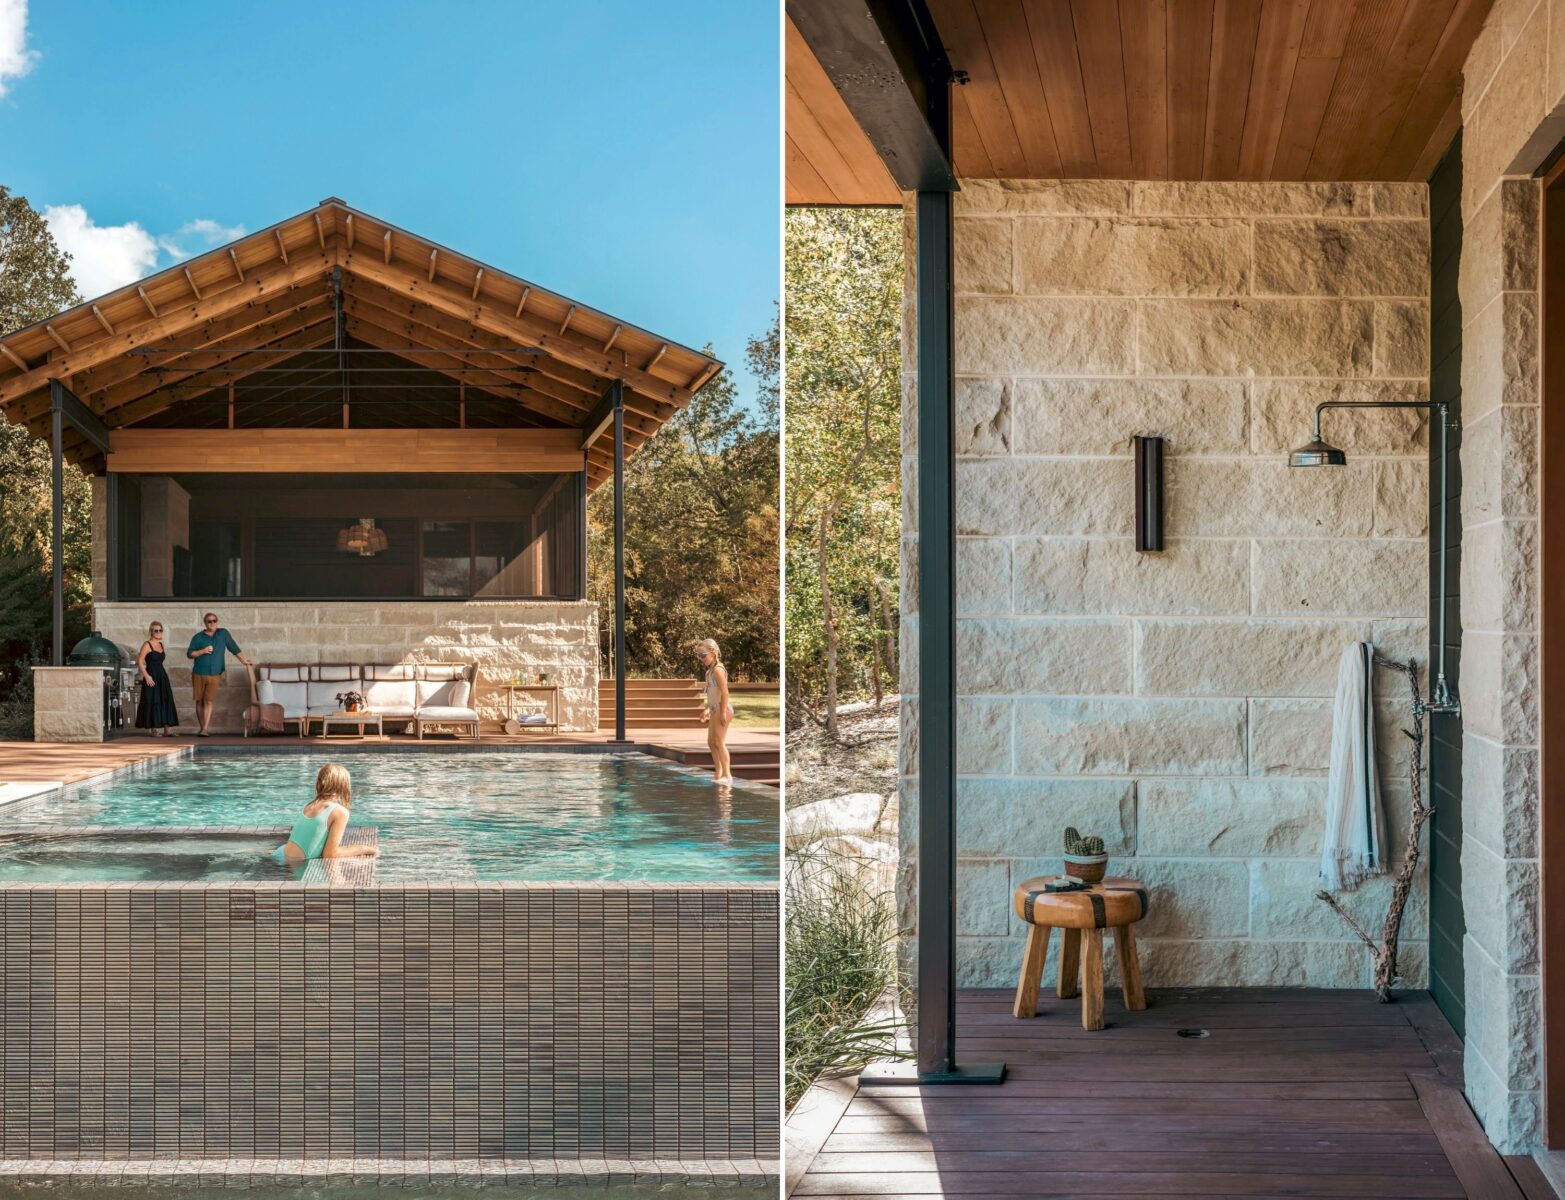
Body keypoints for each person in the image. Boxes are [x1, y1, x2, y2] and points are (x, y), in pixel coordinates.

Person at [271, 763, 380, 865]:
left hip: (281, 853)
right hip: (296, 864)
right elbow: (330, 854)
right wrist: (364, 849)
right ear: (344, 786)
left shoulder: (310, 805)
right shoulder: (340, 812)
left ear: (319, 783)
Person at [186, 612, 253, 737]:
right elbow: (190, 654)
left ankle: (205, 729)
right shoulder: (198, 637)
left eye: (214, 621)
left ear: (217, 622)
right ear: (205, 623)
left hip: (215, 673)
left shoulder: (223, 634)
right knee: (199, 701)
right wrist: (203, 651)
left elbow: (234, 648)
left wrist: (243, 660)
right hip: (199, 672)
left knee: (208, 701)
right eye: (209, 621)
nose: (212, 623)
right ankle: (202, 728)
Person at [695, 638, 734, 785]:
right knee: (711, 742)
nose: (701, 658)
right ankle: (718, 773)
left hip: (722, 708)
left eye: (703, 655)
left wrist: (722, 712)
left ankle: (727, 775)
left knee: (719, 742)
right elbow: (712, 694)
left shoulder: (718, 670)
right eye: (699, 656)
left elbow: (725, 692)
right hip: (714, 709)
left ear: (713, 653)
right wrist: (707, 710)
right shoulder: (709, 672)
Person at [133, 620, 179, 737]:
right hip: (151, 676)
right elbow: (140, 661)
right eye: (155, 630)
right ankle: (154, 730)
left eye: (160, 630)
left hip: (162, 676)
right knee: (153, 699)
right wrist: (146, 676)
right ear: (151, 632)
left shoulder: (161, 645)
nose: (158, 632)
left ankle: (167, 730)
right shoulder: (147, 645)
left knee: (165, 699)